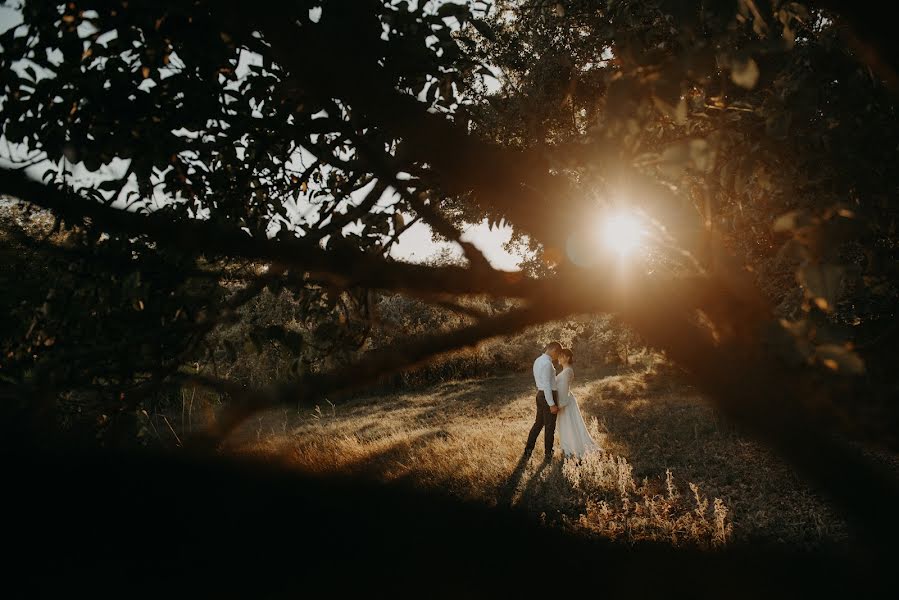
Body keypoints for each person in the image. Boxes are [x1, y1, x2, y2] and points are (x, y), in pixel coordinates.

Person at [554, 348, 600, 458]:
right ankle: (568, 448)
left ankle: (573, 449)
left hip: (565, 402)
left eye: (562, 356)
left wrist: (560, 405)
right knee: (566, 425)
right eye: (559, 355)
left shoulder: (568, 371)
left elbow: (564, 389)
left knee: (569, 424)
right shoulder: (566, 370)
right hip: (565, 400)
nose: (559, 358)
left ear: (568, 358)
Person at [525, 341, 562, 461]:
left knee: (538, 424)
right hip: (547, 395)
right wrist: (551, 404)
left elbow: (545, 381)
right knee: (550, 427)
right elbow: (547, 384)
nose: (557, 357)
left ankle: (528, 450)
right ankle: (548, 454)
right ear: (554, 350)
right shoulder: (547, 363)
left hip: (540, 394)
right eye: (558, 353)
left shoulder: (538, 360)